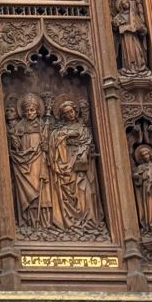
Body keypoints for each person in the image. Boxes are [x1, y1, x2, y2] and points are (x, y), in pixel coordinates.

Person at [48, 99, 103, 232]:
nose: (70, 115)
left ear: (75, 111)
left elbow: (88, 143)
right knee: (68, 192)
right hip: (66, 162)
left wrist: (83, 152)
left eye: (71, 111)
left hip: (81, 164)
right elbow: (54, 143)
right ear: (62, 116)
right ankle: (71, 222)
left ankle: (87, 221)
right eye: (66, 113)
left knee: (85, 191)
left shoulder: (84, 128)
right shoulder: (60, 131)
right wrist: (65, 136)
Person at [8, 93, 51, 231]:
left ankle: (44, 222)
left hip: (38, 158)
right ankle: (30, 221)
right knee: (28, 187)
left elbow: (50, 142)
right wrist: (15, 141)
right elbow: (16, 144)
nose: (29, 113)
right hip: (25, 161)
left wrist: (47, 147)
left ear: (37, 111)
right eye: (26, 111)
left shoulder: (43, 125)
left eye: (32, 110)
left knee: (41, 187)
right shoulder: (20, 126)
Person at [112, 0, 150, 77]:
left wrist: (140, 29)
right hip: (125, 39)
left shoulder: (134, 15)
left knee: (137, 51)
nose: (125, 5)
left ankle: (140, 67)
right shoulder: (119, 16)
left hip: (134, 37)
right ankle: (129, 68)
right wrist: (117, 24)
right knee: (128, 53)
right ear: (120, 6)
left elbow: (142, 28)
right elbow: (114, 26)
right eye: (123, 4)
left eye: (127, 3)